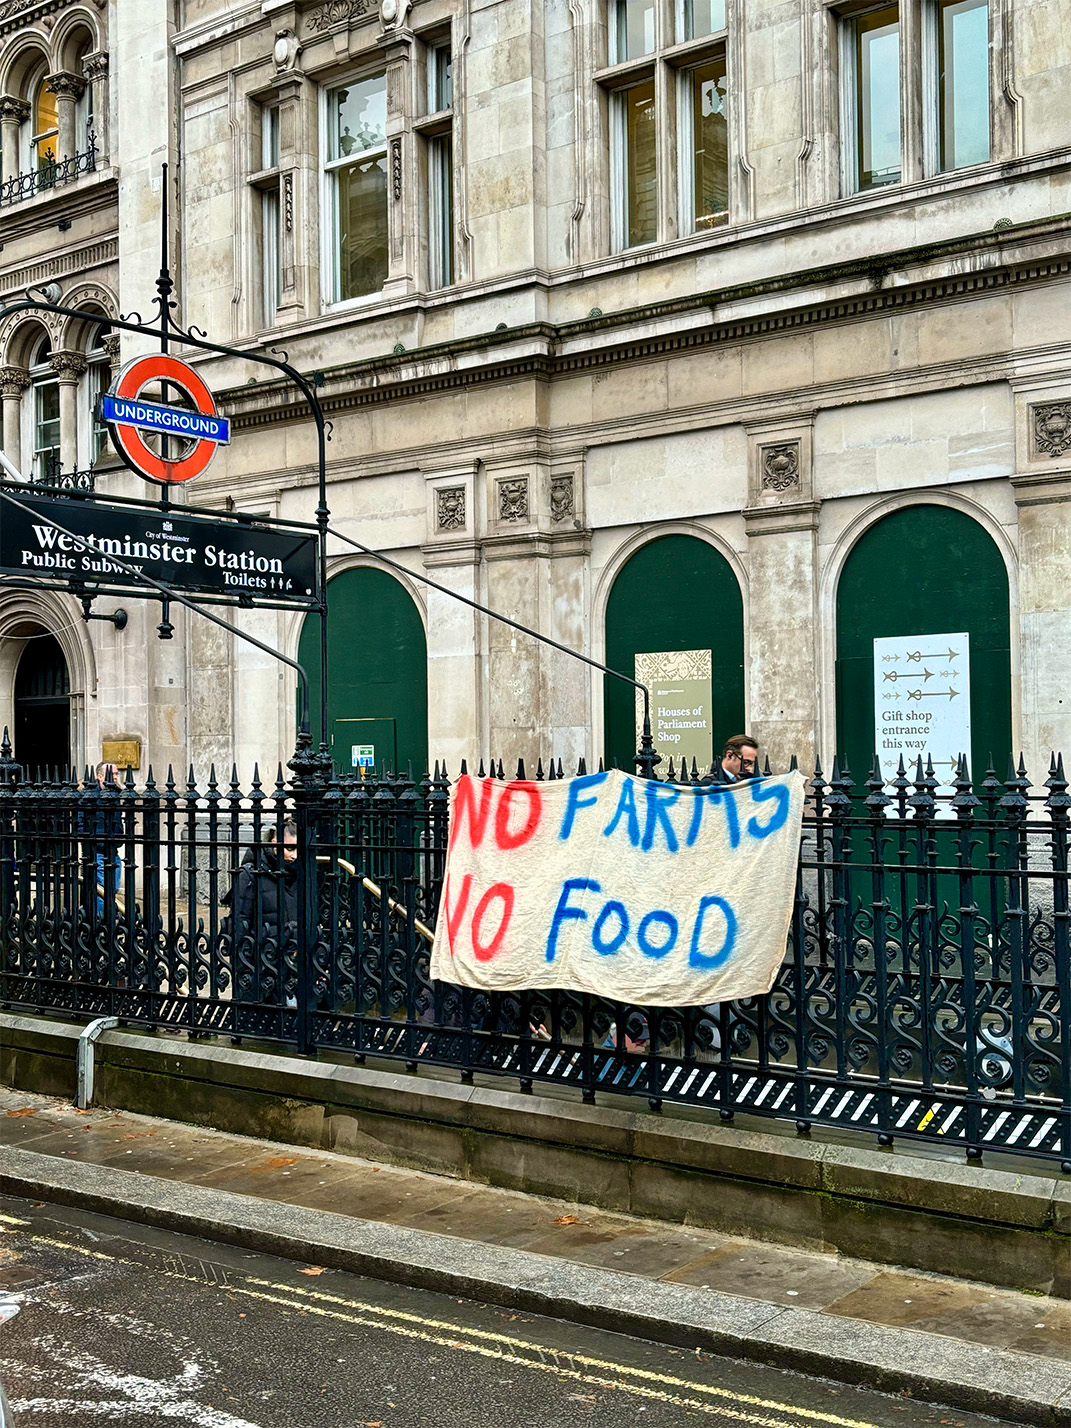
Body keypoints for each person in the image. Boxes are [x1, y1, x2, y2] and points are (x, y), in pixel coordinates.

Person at [230, 821, 299, 1005]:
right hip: (264, 964)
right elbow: (239, 924)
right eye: (290, 848)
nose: (294, 855)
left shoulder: (301, 873)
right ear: (275, 843)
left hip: (295, 965)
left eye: (297, 849)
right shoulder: (251, 874)